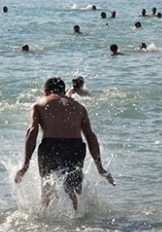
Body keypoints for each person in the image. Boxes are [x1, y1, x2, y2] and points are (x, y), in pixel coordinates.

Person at [14, 78, 115, 210]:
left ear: (46, 92)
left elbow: (32, 131)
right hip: (75, 147)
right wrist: (100, 167)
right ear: (63, 90)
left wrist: (25, 165)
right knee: (72, 191)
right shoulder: (80, 107)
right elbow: (90, 136)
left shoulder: (38, 105)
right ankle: (78, 222)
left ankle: (44, 221)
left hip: (50, 146)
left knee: (47, 188)